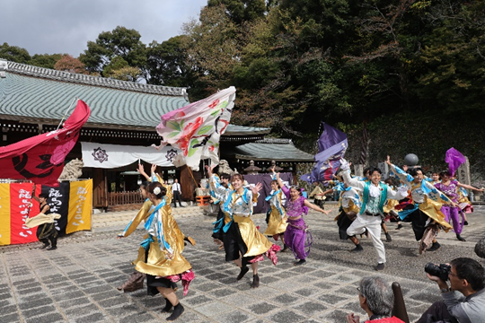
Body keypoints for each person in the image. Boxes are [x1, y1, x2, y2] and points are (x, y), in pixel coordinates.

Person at [207, 165, 279, 288]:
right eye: (233, 181)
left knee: (251, 253)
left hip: (245, 226)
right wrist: (210, 174)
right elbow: (217, 188)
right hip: (232, 225)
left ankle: (255, 275)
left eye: (237, 180)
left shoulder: (248, 193)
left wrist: (255, 194)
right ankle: (242, 267)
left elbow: (251, 203)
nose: (235, 183)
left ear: (242, 182)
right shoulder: (229, 193)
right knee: (231, 253)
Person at [132, 182, 194, 321]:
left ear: (151, 194)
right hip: (155, 249)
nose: (143, 193)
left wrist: (168, 250)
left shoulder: (160, 210)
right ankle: (169, 302)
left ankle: (178, 306)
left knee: (158, 282)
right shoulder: (159, 206)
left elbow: (162, 233)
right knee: (159, 279)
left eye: (145, 191)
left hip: (162, 250)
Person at [340, 159, 408, 270]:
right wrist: (346, 169)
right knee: (349, 231)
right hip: (363, 216)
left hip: (375, 219)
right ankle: (362, 230)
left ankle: (381, 261)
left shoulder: (385, 188)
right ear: (370, 176)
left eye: (378, 175)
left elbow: (396, 196)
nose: (376, 177)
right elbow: (350, 181)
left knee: (377, 241)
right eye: (374, 175)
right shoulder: (364, 185)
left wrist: (402, 192)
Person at [387, 157, 453, 253]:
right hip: (415, 207)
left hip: (426, 207)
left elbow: (438, 193)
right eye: (417, 175)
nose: (419, 177)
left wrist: (450, 202)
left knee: (424, 226)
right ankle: (434, 242)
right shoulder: (409, 180)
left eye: (421, 175)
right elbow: (400, 172)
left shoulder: (425, 184)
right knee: (417, 227)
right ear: (413, 176)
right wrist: (390, 164)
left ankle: (432, 238)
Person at [275, 172, 331, 266]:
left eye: (294, 192)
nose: (292, 193)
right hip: (290, 224)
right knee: (287, 241)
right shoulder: (289, 196)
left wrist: (323, 211)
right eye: (291, 191)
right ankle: (298, 254)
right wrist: (277, 177)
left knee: (297, 243)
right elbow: (282, 186)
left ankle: (302, 258)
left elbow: (312, 206)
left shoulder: (302, 200)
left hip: (299, 225)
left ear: (299, 192)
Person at [417, 257, 485, 323]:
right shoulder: (478, 290)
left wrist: (442, 285)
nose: (448, 276)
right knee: (440, 306)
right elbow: (458, 299)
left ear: (464, 282)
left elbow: (452, 307)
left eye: (451, 274)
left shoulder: (470, 310)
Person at [434, 171, 484, 242]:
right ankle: (437, 229)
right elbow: (430, 192)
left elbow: (466, 186)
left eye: (448, 176)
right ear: (441, 177)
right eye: (445, 176)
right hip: (444, 205)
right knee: (445, 221)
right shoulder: (438, 185)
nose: (447, 177)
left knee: (456, 220)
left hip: (454, 204)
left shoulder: (454, 183)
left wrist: (477, 189)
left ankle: (458, 234)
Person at [263, 170, 288, 250]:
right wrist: (274, 173)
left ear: (277, 184)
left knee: (281, 229)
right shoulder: (273, 192)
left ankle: (286, 243)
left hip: (278, 212)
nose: (272, 185)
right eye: (271, 184)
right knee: (279, 229)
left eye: (273, 184)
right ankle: (285, 243)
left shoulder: (277, 193)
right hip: (274, 212)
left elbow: (277, 204)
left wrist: (282, 214)